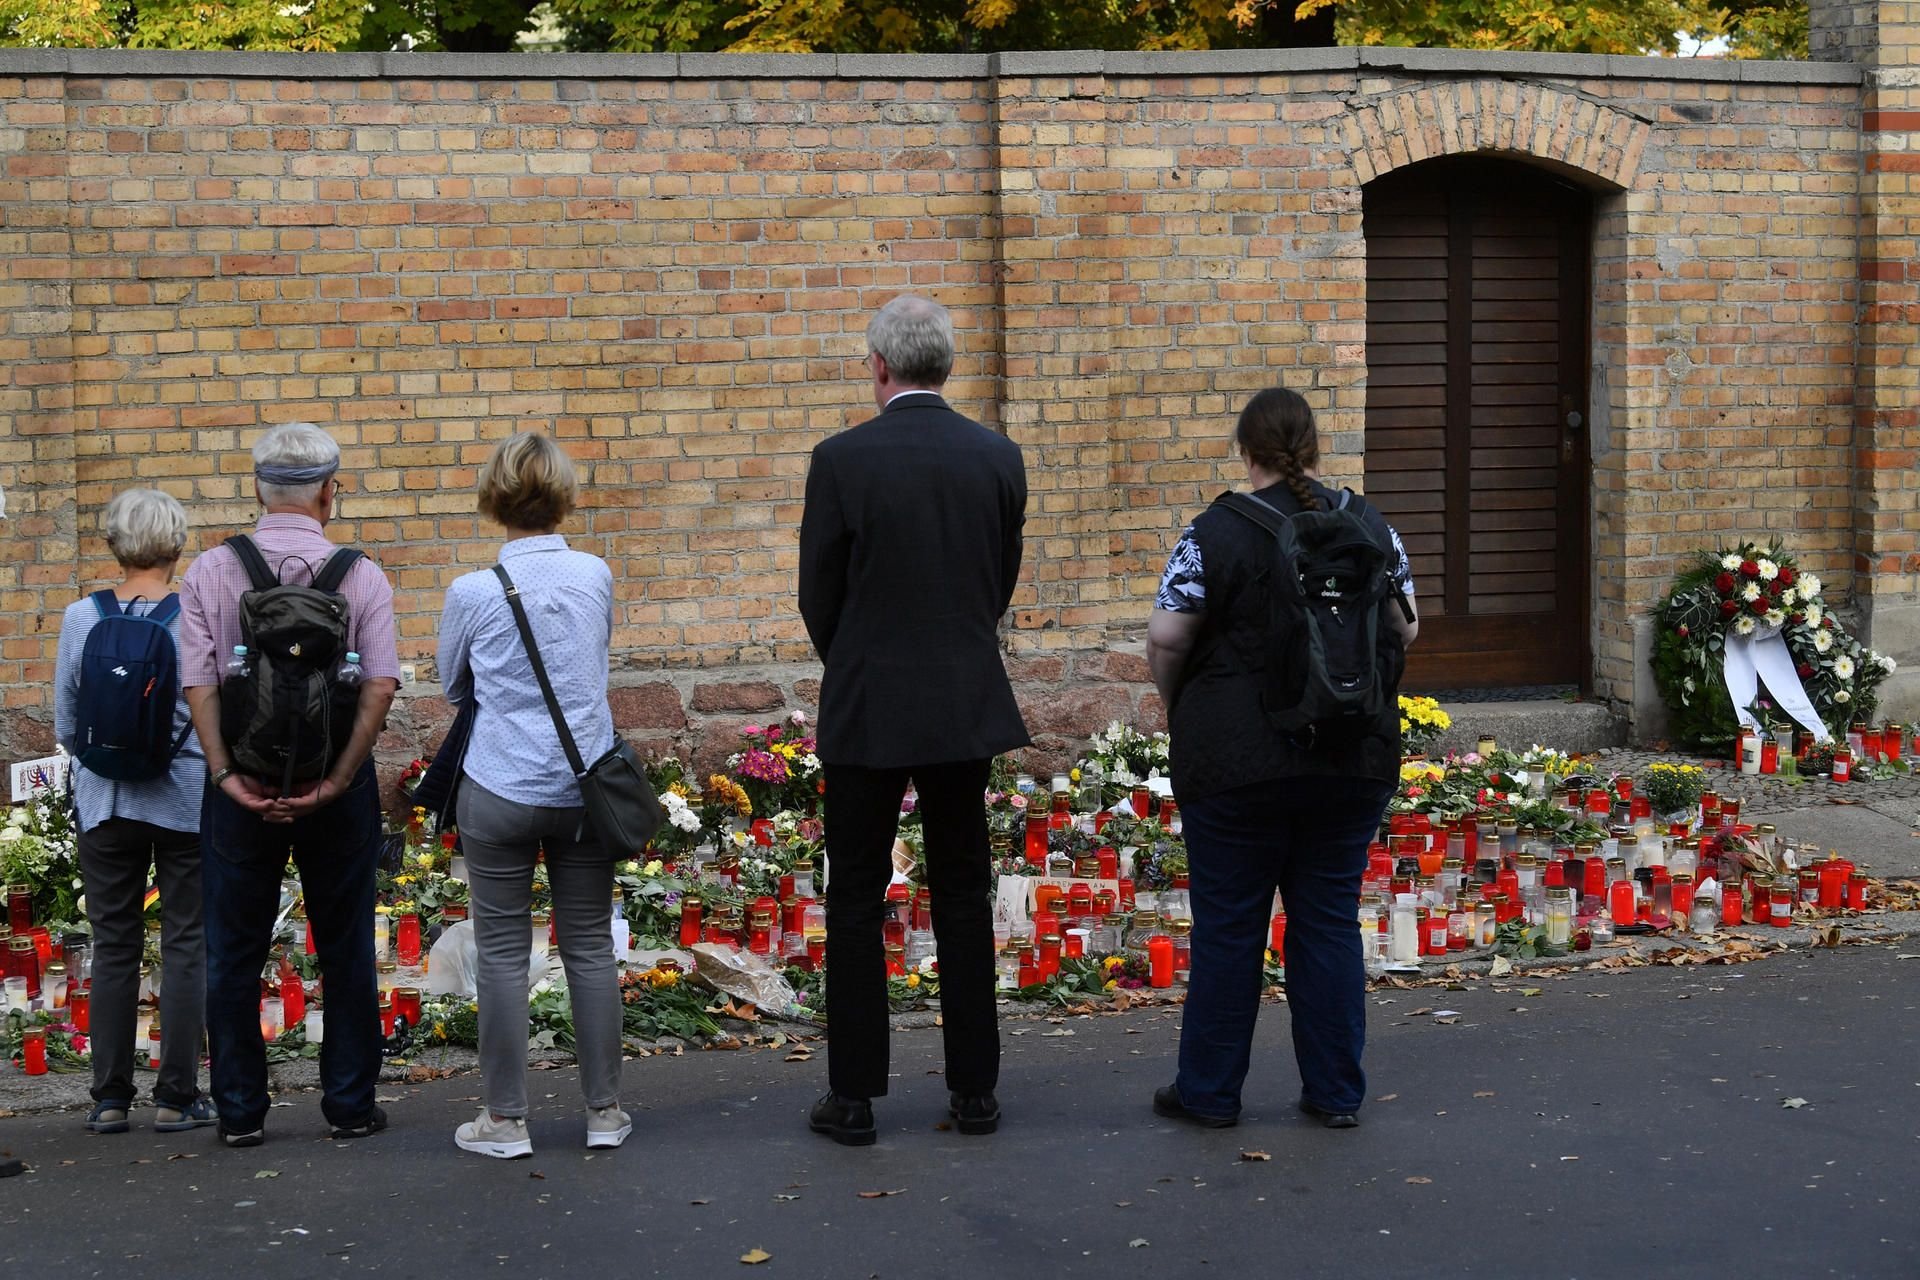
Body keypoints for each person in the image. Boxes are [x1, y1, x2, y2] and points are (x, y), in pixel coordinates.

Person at [1145, 387, 1419, 1130]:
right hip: (1350, 755)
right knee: (1327, 920)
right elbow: (1406, 625)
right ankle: (1335, 1093)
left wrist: (1184, 708)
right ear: (1315, 448)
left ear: (1247, 450)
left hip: (1236, 764)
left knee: (1230, 925)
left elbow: (1169, 637)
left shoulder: (1213, 531)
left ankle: (1208, 1093)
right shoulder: (1370, 525)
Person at [798, 294, 1029, 1146]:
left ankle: (853, 1096)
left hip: (866, 701)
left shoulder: (841, 459)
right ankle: (975, 1091)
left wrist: (856, 656)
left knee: (855, 894)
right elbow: (996, 581)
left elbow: (817, 593)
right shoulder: (996, 457)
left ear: (880, 365)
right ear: (947, 366)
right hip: (962, 700)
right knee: (962, 892)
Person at [180, 422, 400, 1149]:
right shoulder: (360, 575)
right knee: (343, 946)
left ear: (255, 490)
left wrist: (225, 775)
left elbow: (199, 684)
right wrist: (337, 779)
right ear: (330, 494)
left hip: (238, 783)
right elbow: (379, 687)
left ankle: (241, 1113)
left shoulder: (211, 572)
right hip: (339, 789)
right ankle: (348, 1106)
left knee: (234, 948)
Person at [437, 431, 627, 1159]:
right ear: (563, 495)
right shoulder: (594, 576)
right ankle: (604, 1113)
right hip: (584, 788)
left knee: (505, 952)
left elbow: (457, 686)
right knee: (588, 948)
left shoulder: (472, 592)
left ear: (494, 497)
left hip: (499, 786)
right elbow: (591, 665)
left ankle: (506, 1121)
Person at [53, 489, 217, 1135]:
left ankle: (109, 1098)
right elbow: (209, 713)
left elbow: (69, 722)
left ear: (113, 544)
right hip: (180, 799)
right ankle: (177, 1096)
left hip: (105, 802)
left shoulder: (78, 618)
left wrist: (107, 767)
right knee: (184, 944)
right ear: (176, 545)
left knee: (113, 945)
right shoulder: (193, 618)